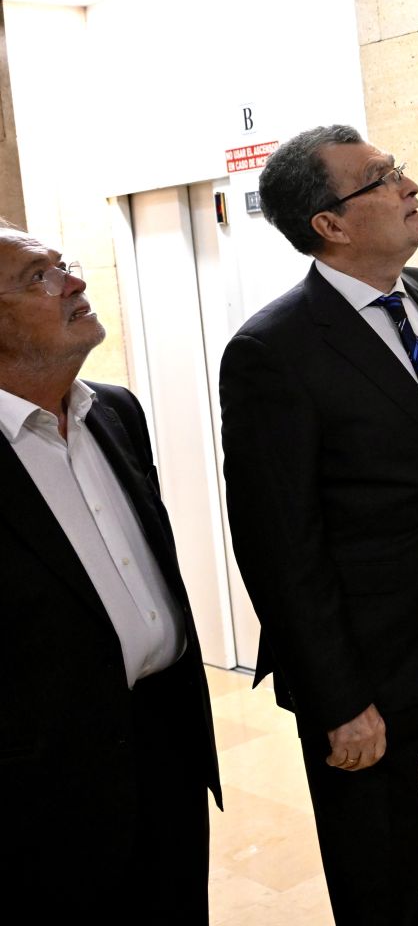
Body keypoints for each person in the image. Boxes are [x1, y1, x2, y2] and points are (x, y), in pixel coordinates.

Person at [219, 125, 418, 925]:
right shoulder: (272, 350)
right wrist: (337, 697)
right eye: (383, 177)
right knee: (381, 879)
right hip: (366, 671)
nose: (408, 184)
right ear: (331, 223)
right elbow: (279, 543)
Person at [0, 221, 221, 921]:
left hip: (167, 755)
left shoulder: (116, 413)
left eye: (63, 264)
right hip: (43, 802)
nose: (74, 282)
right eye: (38, 277)